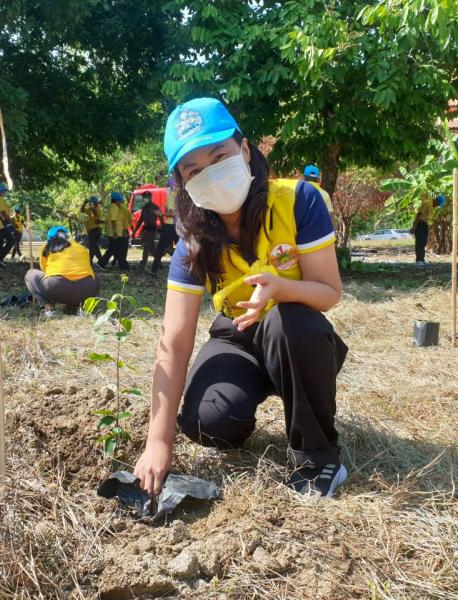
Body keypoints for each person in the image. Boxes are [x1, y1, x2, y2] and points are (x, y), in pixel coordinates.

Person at [133, 97, 348, 500]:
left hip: (296, 332)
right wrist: (158, 442)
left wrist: (284, 290)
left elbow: (329, 293)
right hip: (237, 334)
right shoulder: (191, 244)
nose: (210, 174)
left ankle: (318, 458)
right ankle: (247, 401)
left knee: (287, 323)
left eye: (219, 157)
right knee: (205, 420)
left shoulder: (299, 201)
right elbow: (174, 341)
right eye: (194, 170)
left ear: (245, 150)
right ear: (182, 183)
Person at [24, 226, 100, 318]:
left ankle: (49, 309)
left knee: (30, 274)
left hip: (57, 287)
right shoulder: (81, 248)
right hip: (88, 289)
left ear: (49, 238)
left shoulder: (47, 246)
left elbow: (45, 270)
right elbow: (87, 268)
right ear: (67, 236)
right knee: (92, 276)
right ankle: (84, 307)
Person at [150, 177, 179, 275]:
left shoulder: (179, 197)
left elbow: (176, 213)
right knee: (160, 248)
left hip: (176, 227)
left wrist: (162, 214)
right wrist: (162, 213)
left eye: (169, 185)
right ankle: (154, 271)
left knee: (181, 250)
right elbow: (168, 211)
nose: (168, 187)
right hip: (170, 225)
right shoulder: (170, 196)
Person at [410, 194, 442, 266]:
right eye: (438, 204)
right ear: (436, 200)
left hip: (424, 224)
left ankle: (422, 259)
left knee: (423, 242)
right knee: (419, 242)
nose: (437, 206)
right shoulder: (427, 203)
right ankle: (419, 260)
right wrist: (414, 227)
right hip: (420, 224)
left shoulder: (432, 207)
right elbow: (419, 214)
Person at [135, 191, 163, 270]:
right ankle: (158, 262)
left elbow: (161, 218)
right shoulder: (144, 208)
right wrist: (135, 230)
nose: (145, 199)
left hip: (152, 230)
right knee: (152, 248)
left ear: (151, 197)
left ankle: (142, 264)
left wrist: (164, 228)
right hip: (146, 230)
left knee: (146, 246)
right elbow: (140, 220)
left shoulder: (155, 207)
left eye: (146, 197)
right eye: (144, 197)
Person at [0, 183, 15, 268]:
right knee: (10, 241)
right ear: (0, 191)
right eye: (4, 191)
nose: (5, 192)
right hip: (2, 225)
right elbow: (3, 213)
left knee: (2, 242)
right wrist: (11, 221)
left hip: (0, 225)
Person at [81, 196, 104, 267]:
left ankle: (90, 261)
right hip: (91, 230)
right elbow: (82, 210)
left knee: (92, 247)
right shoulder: (90, 209)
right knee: (95, 247)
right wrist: (84, 203)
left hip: (95, 230)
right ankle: (101, 261)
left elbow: (95, 214)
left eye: (93, 202)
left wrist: (92, 206)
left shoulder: (97, 209)